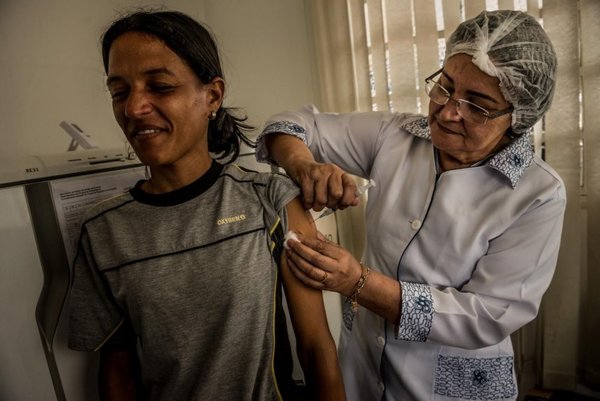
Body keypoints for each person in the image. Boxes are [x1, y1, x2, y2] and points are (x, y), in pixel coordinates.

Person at [256, 10, 565, 401]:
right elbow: (291, 125)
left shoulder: (536, 192)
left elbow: (487, 316)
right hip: (364, 365)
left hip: (450, 383)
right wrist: (305, 166)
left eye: (478, 105)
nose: (449, 111)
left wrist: (357, 283)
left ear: (517, 117)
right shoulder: (396, 136)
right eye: (446, 86)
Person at [67, 10, 345, 401]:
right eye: (120, 91)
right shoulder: (103, 230)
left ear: (212, 96)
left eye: (160, 87)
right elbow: (118, 373)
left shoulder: (269, 201)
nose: (133, 108)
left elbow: (317, 348)